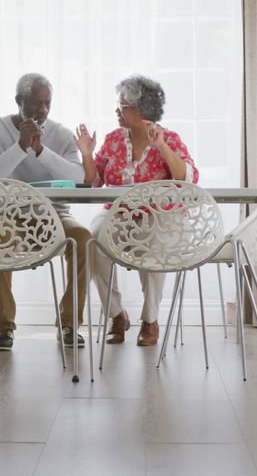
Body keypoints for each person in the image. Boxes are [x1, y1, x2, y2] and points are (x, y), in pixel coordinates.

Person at [74, 75, 199, 346]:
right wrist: (86, 155)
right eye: (118, 105)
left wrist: (162, 146)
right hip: (119, 212)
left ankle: (150, 319)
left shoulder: (170, 138)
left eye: (123, 106)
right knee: (92, 241)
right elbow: (94, 182)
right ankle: (117, 314)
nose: (117, 111)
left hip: (160, 214)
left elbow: (188, 178)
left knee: (156, 243)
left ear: (143, 110)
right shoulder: (114, 139)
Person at [0, 72, 91, 351]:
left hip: (54, 216)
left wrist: (40, 150)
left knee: (83, 238)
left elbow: (78, 178)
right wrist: (19, 146)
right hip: (8, 215)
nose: (42, 110)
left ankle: (69, 324)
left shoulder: (61, 135)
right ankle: (3, 328)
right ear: (19, 101)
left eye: (47, 104)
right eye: (36, 104)